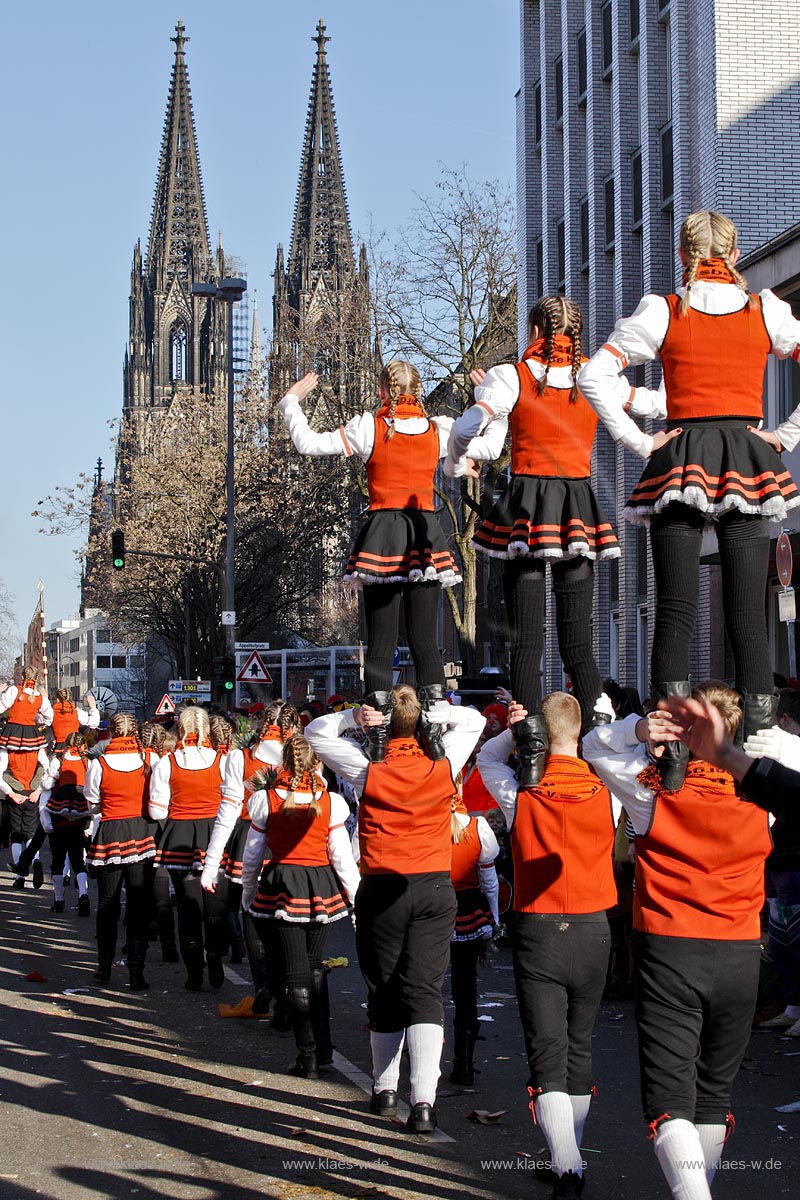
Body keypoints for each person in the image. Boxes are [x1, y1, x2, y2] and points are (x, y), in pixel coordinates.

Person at [579, 210, 800, 788]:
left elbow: (592, 377)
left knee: (674, 609)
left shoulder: (665, 309)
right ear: (733, 251)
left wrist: (638, 441)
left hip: (680, 456)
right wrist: (785, 435)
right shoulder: (766, 309)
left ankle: (670, 756)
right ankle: (758, 749)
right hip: (750, 457)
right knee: (748, 610)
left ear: (684, 254)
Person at [583, 683, 774, 1200]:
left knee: (670, 1101)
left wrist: (641, 731)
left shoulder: (651, 789)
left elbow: (593, 747)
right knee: (713, 1095)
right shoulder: (764, 797)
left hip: (672, 951)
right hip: (740, 953)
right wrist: (748, 743)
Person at [446, 297, 645, 781]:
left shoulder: (512, 375)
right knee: (579, 639)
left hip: (528, 507)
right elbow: (647, 404)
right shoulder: (593, 376)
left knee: (527, 641)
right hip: (577, 504)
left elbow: (476, 432)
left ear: (534, 326)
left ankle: (533, 746)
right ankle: (597, 736)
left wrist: (461, 453)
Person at [306, 685, 485, 1132]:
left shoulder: (368, 768)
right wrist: (433, 716)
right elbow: (476, 721)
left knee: (383, 988)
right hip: (434, 886)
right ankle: (424, 1102)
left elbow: (314, 732)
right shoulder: (444, 765)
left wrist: (357, 717)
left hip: (383, 886)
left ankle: (385, 1090)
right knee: (425, 992)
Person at [278, 362, 460, 762]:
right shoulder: (438, 429)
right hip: (423, 533)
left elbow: (308, 443)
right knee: (425, 642)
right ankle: (433, 730)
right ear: (419, 390)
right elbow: (479, 445)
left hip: (381, 536)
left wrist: (292, 401)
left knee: (379, 646)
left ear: (383, 390)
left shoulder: (369, 428)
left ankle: (376, 737)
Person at [479, 692, 616, 1199]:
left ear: (537, 729)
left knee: (547, 1050)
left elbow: (487, 758)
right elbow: (615, 754)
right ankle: (568, 1153)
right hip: (594, 924)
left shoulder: (520, 794)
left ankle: (568, 1164)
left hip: (539, 926)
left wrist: (513, 731)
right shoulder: (608, 791)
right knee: (578, 1044)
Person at [240, 733, 360, 1079]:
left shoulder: (265, 800)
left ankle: (308, 1055)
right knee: (313, 967)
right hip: (319, 883)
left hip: (282, 883)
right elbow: (339, 855)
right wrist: (356, 898)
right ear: (315, 764)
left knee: (296, 974)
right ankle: (322, 1048)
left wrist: (249, 894)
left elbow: (252, 855)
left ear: (282, 764)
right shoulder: (330, 801)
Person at [201, 701, 300, 1012]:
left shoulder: (239, 757)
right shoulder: (303, 757)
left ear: (260, 723)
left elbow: (226, 814)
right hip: (294, 841)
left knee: (253, 912)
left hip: (248, 836)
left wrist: (211, 863)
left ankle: (264, 985)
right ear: (291, 727)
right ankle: (287, 992)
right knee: (289, 917)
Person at [150, 707, 226, 991]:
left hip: (180, 834)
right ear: (207, 730)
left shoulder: (167, 763)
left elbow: (157, 810)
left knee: (187, 907)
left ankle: (195, 970)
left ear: (180, 730)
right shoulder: (223, 760)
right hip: (215, 835)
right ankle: (216, 954)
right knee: (216, 906)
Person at [84, 713, 156, 990]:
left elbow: (92, 801)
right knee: (139, 904)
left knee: (107, 903)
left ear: (112, 733)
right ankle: (136, 973)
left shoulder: (99, 764)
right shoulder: (149, 760)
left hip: (111, 831)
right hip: (141, 831)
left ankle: (104, 967)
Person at [448, 782, 499, 1086]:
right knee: (465, 989)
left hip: (430, 908)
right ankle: (463, 1065)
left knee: (421, 987)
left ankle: (416, 1061)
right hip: (468, 911)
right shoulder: (478, 826)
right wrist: (493, 919)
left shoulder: (423, 823)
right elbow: (489, 882)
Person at [38, 731, 91, 915]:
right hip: (80, 813)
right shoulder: (87, 761)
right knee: (78, 859)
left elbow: (47, 785)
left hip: (59, 814)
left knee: (57, 860)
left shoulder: (59, 759)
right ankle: (83, 895)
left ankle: (59, 901)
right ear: (82, 744)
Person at [1, 744, 50, 887]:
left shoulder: (7, 748)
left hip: (15, 792)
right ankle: (35, 859)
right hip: (32, 794)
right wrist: (38, 790)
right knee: (30, 833)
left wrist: (10, 793)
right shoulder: (37, 746)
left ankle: (20, 876)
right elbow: (48, 770)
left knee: (16, 834)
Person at [0, 669, 53, 752]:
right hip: (31, 733)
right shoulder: (41, 698)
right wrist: (36, 718)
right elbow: (49, 718)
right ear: (37, 678)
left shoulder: (14, 690)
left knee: (4, 758)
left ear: (22, 677)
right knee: (39, 757)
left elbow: (1, 708)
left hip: (13, 731)